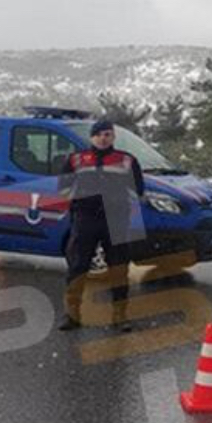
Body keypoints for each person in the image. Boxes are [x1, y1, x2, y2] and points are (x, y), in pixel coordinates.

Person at [57, 120, 144, 332]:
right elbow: (63, 189)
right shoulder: (76, 159)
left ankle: (120, 316)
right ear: (92, 137)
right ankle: (72, 315)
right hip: (85, 219)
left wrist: (116, 200)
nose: (103, 138)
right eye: (99, 135)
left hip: (116, 218)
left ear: (113, 137)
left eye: (107, 134)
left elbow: (138, 190)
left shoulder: (127, 160)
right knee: (78, 267)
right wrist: (82, 201)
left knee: (118, 268)